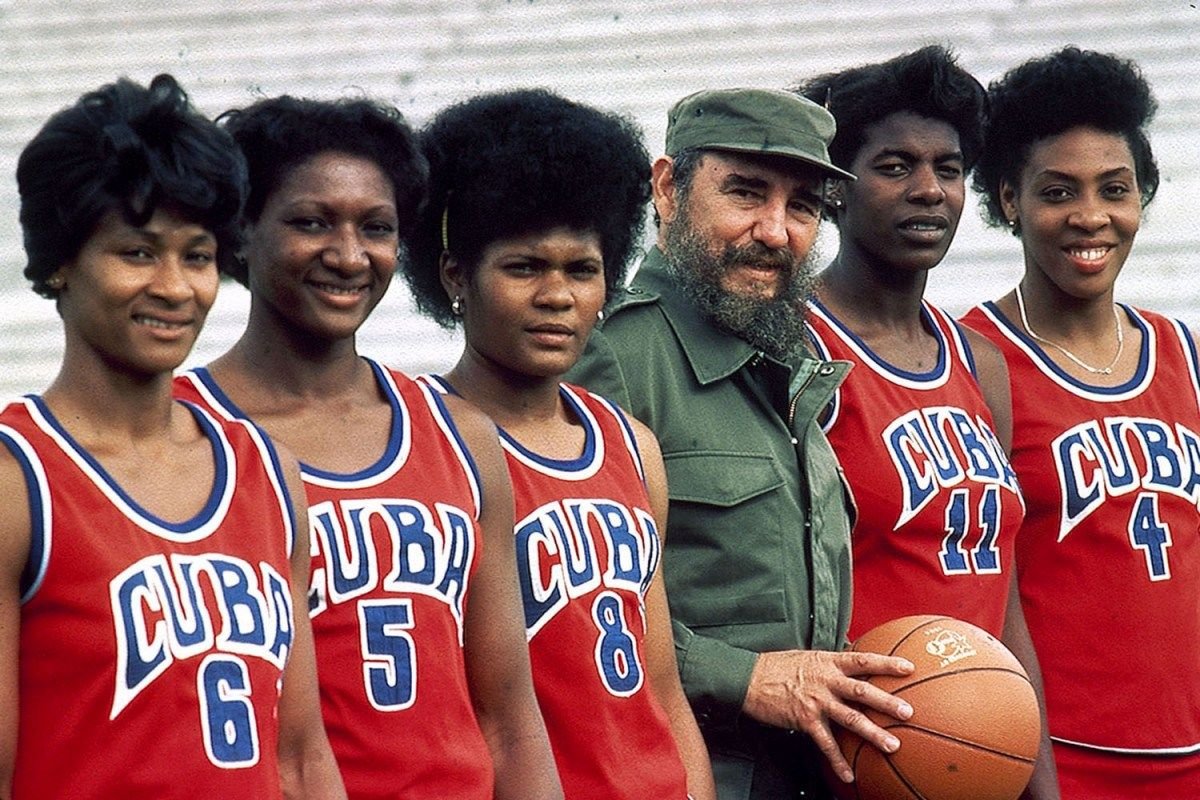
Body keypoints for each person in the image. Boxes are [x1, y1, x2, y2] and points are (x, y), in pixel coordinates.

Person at [172, 95, 561, 799]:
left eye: (375, 227)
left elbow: (510, 716)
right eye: (311, 222)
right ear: (241, 233)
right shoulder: (183, 435)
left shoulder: (459, 433)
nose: (349, 255)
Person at [0, 75, 345, 799]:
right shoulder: (16, 481)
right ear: (62, 260)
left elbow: (303, 758)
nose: (175, 287)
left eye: (197, 256)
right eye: (137, 252)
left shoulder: (267, 472)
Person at [567, 87, 916, 798]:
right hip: (680, 774)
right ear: (667, 188)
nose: (776, 230)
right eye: (746, 193)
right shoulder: (612, 358)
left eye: (805, 207)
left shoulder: (791, 362)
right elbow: (565, 608)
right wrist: (745, 677)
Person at [402, 87, 717, 800]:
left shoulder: (631, 446)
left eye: (581, 270)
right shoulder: (423, 443)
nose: (558, 296)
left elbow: (662, 690)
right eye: (524, 268)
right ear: (455, 274)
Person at [793, 47, 1059, 798]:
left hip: (983, 750)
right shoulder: (794, 347)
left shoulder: (980, 363)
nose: (929, 190)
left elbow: (1002, 591)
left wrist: (1039, 781)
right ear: (837, 188)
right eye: (895, 166)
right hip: (866, 753)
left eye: (948, 169)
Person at [961, 47, 1200, 800]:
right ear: (1008, 201)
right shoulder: (974, 359)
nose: (1091, 217)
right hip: (1057, 758)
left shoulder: (1184, 353)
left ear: (1144, 196)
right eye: (1058, 191)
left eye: (1115, 189)